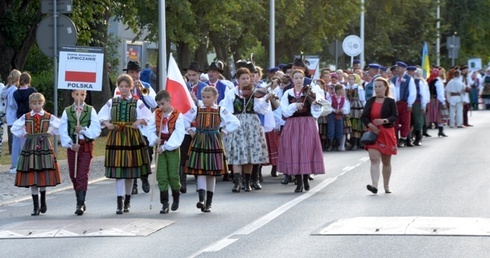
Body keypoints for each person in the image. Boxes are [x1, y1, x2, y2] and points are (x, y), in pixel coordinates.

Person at [99, 74, 152, 214]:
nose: (123, 89)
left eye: (126, 86)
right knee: (119, 172)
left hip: (131, 137)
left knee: (129, 172)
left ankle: (127, 201)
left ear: (131, 87)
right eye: (121, 86)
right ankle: (119, 202)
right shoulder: (112, 102)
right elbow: (100, 116)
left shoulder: (137, 102)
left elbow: (149, 118)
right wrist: (107, 123)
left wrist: (139, 121)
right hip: (116, 137)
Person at [184, 86, 239, 212]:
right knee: (201, 171)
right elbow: (183, 119)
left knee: (212, 173)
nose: (205, 100)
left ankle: (208, 202)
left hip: (214, 141)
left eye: (208, 97)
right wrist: (190, 130)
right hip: (199, 140)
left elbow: (235, 122)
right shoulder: (196, 109)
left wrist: (224, 131)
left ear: (215, 97)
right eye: (203, 97)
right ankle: (201, 199)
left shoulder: (221, 110)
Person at [221, 67, 270, 193]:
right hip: (237, 123)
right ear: (237, 80)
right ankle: (237, 182)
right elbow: (225, 110)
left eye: (248, 78)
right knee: (238, 152)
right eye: (243, 78)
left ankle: (247, 182)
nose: (245, 81)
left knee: (250, 152)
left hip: (252, 124)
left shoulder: (254, 93)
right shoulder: (231, 93)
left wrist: (267, 100)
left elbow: (261, 109)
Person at [12, 93, 61, 215]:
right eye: (34, 103)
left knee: (42, 173)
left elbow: (61, 126)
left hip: (44, 145)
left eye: (39, 103)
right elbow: (14, 127)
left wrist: (51, 132)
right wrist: (24, 133)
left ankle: (43, 201)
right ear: (30, 104)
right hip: (30, 147)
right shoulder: (26, 117)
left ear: (42, 103)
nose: (37, 106)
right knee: (32, 174)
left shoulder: (48, 116)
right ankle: (35, 206)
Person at [277, 69, 325, 193]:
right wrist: (294, 106)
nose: (299, 80)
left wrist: (314, 104)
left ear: (304, 79)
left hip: (307, 123)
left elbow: (317, 111)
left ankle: (305, 178)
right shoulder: (287, 93)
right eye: (296, 78)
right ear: (292, 80)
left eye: (301, 78)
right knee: (294, 151)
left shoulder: (310, 92)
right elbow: (284, 111)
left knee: (306, 150)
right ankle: (298, 181)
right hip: (292, 124)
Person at [115, 61, 157, 194]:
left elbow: (154, 102)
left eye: (137, 72)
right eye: (132, 73)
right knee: (130, 155)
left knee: (147, 155)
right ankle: (132, 182)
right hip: (128, 127)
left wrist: (142, 90)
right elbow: (116, 103)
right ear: (127, 74)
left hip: (144, 127)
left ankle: (144, 177)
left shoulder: (146, 86)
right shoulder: (120, 88)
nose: (135, 75)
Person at [59, 90, 101, 216]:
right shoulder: (67, 111)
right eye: (77, 94)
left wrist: (83, 130)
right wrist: (71, 144)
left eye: (82, 95)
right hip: (73, 147)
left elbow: (96, 129)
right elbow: (63, 130)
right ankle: (79, 197)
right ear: (72, 95)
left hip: (86, 146)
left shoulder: (90, 110)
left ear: (85, 95)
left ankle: (80, 203)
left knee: (82, 173)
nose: (79, 97)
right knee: (74, 174)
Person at [147, 90, 185, 214]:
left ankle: (176, 196)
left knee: (173, 175)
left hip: (171, 147)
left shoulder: (178, 115)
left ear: (169, 101)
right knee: (161, 175)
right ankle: (164, 203)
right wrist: (154, 139)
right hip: (159, 146)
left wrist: (166, 146)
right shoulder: (156, 114)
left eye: (163, 104)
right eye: (158, 104)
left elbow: (178, 134)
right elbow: (151, 129)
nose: (160, 107)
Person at [360, 77, 398, 194]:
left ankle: (386, 186)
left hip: (386, 133)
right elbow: (364, 117)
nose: (377, 89)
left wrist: (384, 121)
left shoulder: (390, 101)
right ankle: (374, 185)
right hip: (373, 134)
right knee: (374, 159)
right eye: (375, 86)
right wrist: (371, 126)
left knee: (386, 162)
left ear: (385, 87)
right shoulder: (371, 101)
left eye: (380, 86)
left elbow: (394, 116)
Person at [12, 72, 37, 173]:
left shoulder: (16, 93)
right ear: (29, 81)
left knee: (22, 141)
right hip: (31, 116)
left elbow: (14, 105)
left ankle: (21, 163)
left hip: (20, 117)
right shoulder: (32, 91)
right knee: (32, 140)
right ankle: (32, 162)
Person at [391, 61, 416, 147]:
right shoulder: (393, 79)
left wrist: (410, 103)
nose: (397, 69)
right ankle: (395, 138)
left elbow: (412, 92)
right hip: (395, 103)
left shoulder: (409, 79)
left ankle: (403, 138)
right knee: (395, 121)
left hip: (405, 103)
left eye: (399, 68)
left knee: (405, 121)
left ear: (404, 69)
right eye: (397, 68)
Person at [1, 70, 20, 162]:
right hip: (14, 116)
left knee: (12, 138)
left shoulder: (6, 89)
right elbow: (13, 104)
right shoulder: (14, 90)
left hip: (9, 116)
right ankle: (15, 161)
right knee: (16, 140)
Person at [326, 84, 351, 152]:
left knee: (339, 130)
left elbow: (346, 107)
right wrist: (334, 110)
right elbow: (328, 106)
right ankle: (330, 145)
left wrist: (342, 110)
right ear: (337, 90)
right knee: (331, 130)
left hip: (339, 116)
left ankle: (338, 145)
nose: (343, 91)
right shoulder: (331, 98)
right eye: (341, 90)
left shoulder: (344, 98)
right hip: (332, 115)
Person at [345, 73, 365, 150]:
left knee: (356, 124)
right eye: (349, 79)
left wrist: (363, 108)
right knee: (350, 124)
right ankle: (352, 142)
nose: (350, 81)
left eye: (352, 79)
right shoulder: (346, 87)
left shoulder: (358, 88)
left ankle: (357, 143)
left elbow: (362, 99)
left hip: (356, 106)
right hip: (349, 106)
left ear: (355, 80)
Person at [426, 68, 448, 137]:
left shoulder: (429, 80)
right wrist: (443, 102)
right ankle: (440, 131)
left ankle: (424, 130)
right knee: (439, 116)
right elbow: (440, 93)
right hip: (436, 100)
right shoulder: (438, 81)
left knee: (428, 116)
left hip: (430, 100)